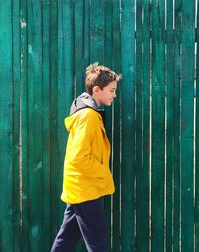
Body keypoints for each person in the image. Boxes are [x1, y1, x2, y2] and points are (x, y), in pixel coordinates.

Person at [51, 62, 121, 252]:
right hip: (85, 188)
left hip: (80, 187)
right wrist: (103, 171)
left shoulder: (89, 113)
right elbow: (78, 158)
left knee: (66, 240)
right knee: (98, 244)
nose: (114, 95)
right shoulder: (88, 116)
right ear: (97, 90)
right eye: (112, 90)